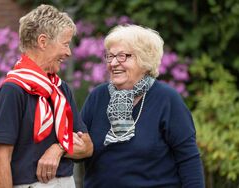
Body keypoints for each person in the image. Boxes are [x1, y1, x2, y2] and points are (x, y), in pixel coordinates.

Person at [81, 24, 205, 188]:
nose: (113, 63)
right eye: (110, 56)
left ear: (145, 61)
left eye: (123, 56)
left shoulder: (167, 100)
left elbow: (188, 160)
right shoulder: (98, 97)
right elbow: (77, 144)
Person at [0, 4, 93, 188]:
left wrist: (59, 148)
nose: (69, 52)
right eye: (65, 43)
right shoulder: (13, 90)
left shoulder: (61, 88)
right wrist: (68, 141)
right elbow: (1, 158)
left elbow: (86, 146)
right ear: (43, 41)